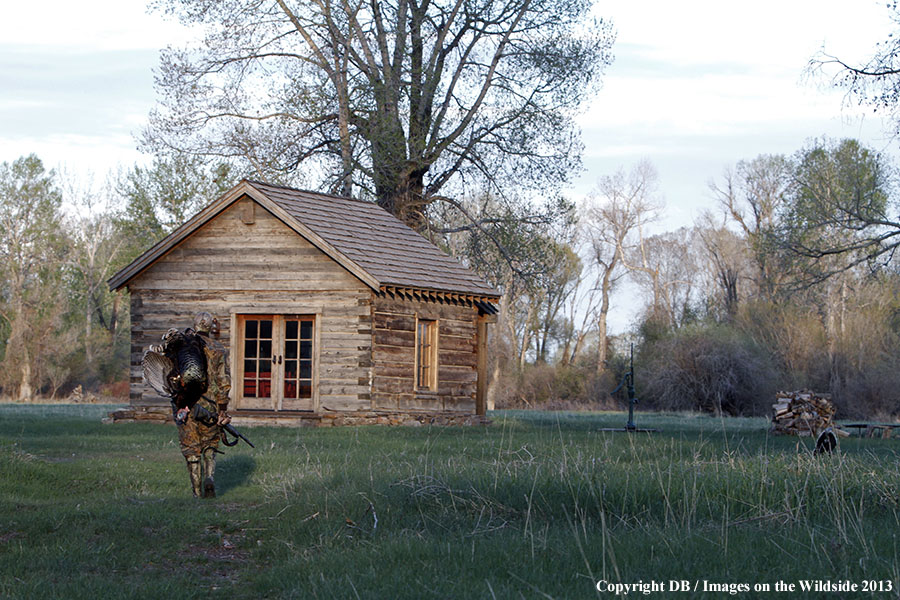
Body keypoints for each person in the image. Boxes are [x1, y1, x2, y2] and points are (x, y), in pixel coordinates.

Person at [164, 312, 232, 498]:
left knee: (191, 447)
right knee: (210, 443)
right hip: (211, 405)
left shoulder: (182, 346)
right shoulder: (218, 349)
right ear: (210, 327)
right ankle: (209, 477)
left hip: (186, 404)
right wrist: (223, 409)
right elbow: (224, 381)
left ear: (195, 326)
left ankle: (196, 492)